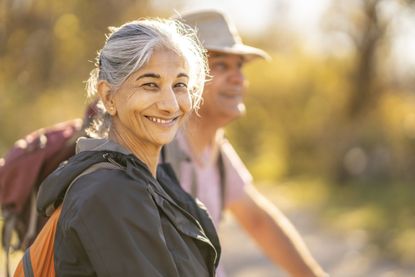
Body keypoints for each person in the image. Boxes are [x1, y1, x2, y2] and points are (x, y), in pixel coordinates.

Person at [15, 18, 220, 276]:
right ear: (109, 97)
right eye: (150, 84)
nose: (170, 104)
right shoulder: (108, 193)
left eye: (179, 85)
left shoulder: (156, 182)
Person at [163, 10, 328, 277]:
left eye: (239, 66)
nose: (239, 78)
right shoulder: (156, 152)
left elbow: (258, 221)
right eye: (220, 65)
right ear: (180, 77)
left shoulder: (214, 149)